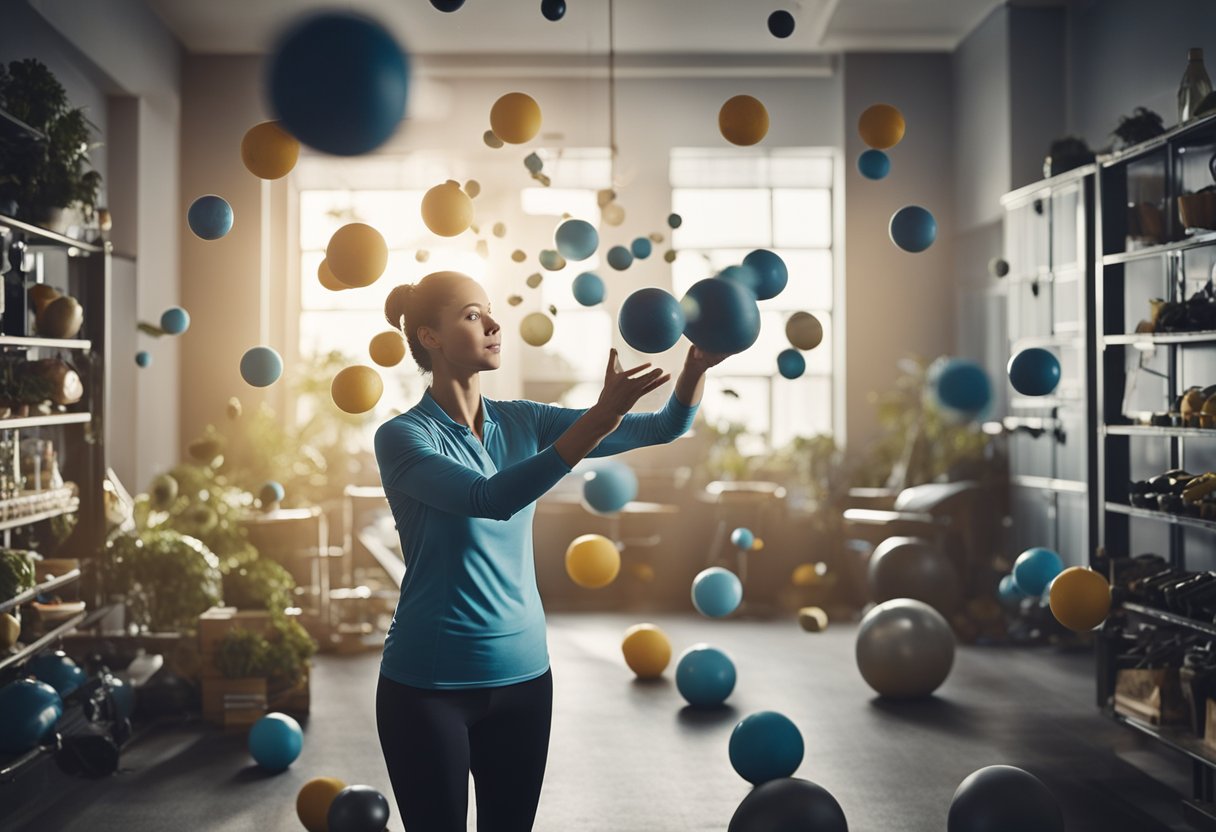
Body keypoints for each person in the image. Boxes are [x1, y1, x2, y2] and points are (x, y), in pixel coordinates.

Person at [374, 269, 727, 831]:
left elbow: (664, 428)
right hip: (427, 689)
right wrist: (595, 421)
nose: (493, 324)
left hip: (525, 681)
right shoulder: (402, 437)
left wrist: (694, 370)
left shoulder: (523, 419)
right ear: (429, 337)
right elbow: (488, 497)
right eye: (471, 315)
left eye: (489, 310)